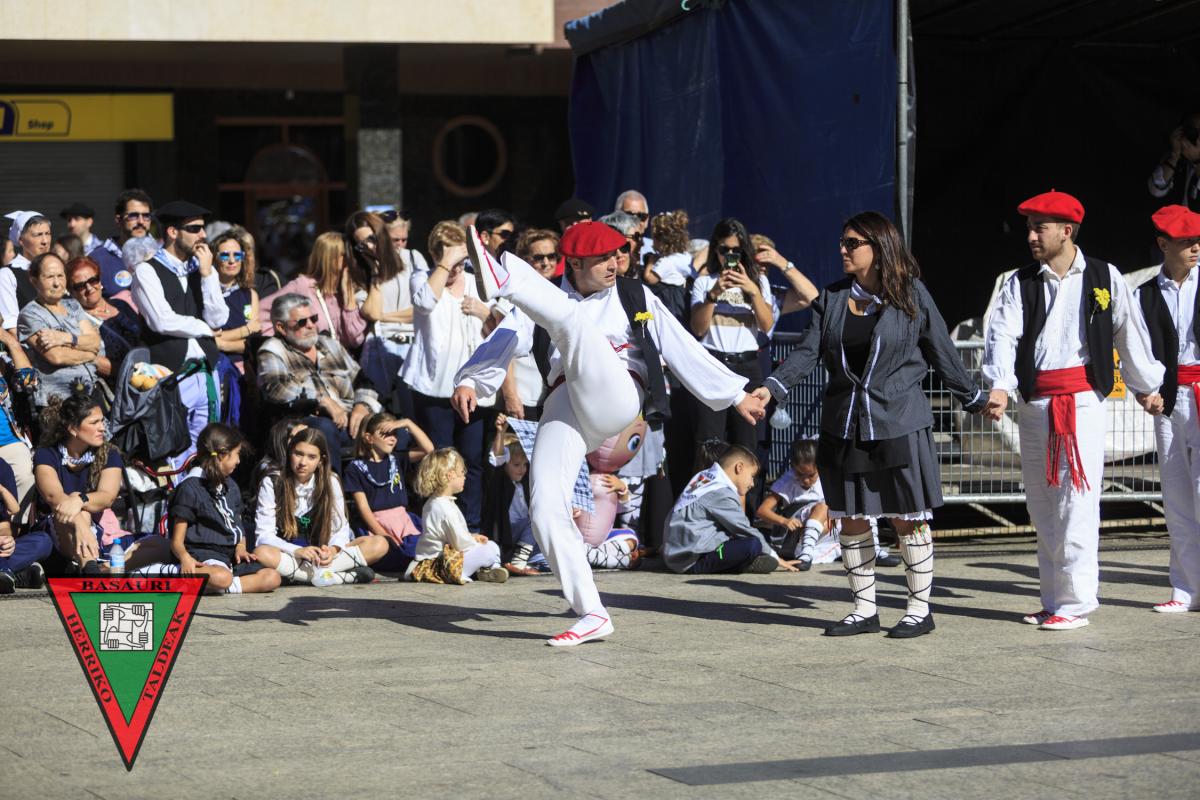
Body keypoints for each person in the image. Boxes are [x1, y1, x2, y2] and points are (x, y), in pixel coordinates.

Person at [453, 219, 768, 645]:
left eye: (616, 255)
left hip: (618, 391)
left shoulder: (632, 294)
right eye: (602, 258)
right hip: (564, 400)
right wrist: (472, 380)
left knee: (571, 321)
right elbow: (506, 337)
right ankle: (592, 612)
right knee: (545, 506)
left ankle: (503, 276)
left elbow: (680, 344)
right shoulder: (548, 298)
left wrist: (735, 394)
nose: (614, 264)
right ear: (575, 263)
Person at [756, 211, 988, 638]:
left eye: (852, 243)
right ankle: (864, 610)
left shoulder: (911, 294)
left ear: (879, 248)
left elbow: (941, 349)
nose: (842, 250)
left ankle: (919, 610)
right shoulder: (832, 298)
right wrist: (772, 388)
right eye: (842, 242)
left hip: (898, 421)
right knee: (850, 518)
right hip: (844, 424)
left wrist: (974, 398)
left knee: (907, 519)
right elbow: (807, 352)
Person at [982, 190, 1165, 631]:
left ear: (1066, 231)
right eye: (1029, 228)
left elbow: (1129, 332)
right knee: (1042, 502)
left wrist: (1146, 387)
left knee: (1075, 502)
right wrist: (1000, 386)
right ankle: (1053, 599)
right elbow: (1002, 335)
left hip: (1081, 402)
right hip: (1036, 404)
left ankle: (1077, 602)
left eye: (1039, 228)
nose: (1031, 236)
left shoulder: (1104, 276)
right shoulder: (1019, 282)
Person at [400, 221, 493, 530]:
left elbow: (506, 325)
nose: (456, 268)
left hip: (473, 388)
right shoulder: (423, 279)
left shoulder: (478, 283)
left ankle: (472, 526)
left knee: (472, 459)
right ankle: (440, 527)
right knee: (440, 458)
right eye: (450, 261)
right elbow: (424, 302)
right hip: (433, 387)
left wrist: (483, 311)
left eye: (461, 262)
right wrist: (444, 264)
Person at [1134, 205, 1200, 612]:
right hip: (1170, 398)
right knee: (1176, 494)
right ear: (1163, 244)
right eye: (1185, 241)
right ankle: (1187, 588)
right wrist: (1144, 390)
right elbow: (1137, 350)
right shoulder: (1143, 294)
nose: (1195, 248)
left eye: (1197, 240)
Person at [132, 200, 227, 469]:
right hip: (170, 373)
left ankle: (200, 493)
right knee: (174, 445)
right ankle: (176, 496)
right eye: (194, 229)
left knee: (208, 446)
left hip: (206, 369)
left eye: (203, 228)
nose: (203, 235)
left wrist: (208, 274)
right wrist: (204, 328)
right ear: (173, 232)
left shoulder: (202, 269)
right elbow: (161, 320)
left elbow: (219, 318)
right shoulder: (146, 270)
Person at [33, 393, 167, 575]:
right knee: (79, 512)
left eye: (102, 421)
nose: (102, 428)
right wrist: (80, 523)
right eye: (94, 423)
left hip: (101, 532)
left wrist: (80, 500)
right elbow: (54, 497)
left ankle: (104, 569)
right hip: (59, 531)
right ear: (73, 429)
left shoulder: (109, 454)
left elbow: (107, 497)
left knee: (162, 545)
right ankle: (89, 566)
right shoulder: (47, 454)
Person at [256, 293, 382, 469]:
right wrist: (322, 400)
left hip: (349, 419)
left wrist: (362, 407)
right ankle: (331, 484)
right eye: (302, 322)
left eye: (313, 319)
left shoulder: (330, 344)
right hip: (307, 421)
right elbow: (276, 389)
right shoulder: (272, 350)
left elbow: (363, 381)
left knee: (389, 430)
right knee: (323, 430)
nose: (310, 325)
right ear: (281, 327)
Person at [691, 218, 775, 465]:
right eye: (723, 250)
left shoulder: (759, 283)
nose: (729, 256)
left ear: (744, 251)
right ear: (715, 250)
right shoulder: (704, 282)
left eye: (735, 251)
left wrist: (752, 290)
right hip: (712, 365)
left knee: (747, 444)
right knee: (710, 444)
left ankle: (745, 491)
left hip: (747, 367)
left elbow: (767, 325)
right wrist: (713, 294)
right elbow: (698, 328)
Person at [252, 427, 376, 586]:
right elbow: (263, 535)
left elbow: (340, 528)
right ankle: (337, 576)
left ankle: (302, 576)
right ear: (289, 453)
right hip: (290, 555)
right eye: (298, 454)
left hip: (320, 555)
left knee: (378, 544)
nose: (303, 463)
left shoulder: (331, 481)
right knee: (262, 552)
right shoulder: (273, 482)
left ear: (321, 461)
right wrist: (297, 550)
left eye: (311, 457)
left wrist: (332, 550)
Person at [169, 423, 281, 594]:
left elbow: (238, 525)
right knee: (222, 577)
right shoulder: (190, 488)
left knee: (272, 577)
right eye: (237, 454)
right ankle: (175, 575)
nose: (238, 461)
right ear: (222, 455)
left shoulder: (232, 486)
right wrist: (185, 558)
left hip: (228, 557)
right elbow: (176, 541)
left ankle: (216, 587)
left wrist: (241, 547)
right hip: (202, 555)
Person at [663, 444, 797, 574]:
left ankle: (743, 560)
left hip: (676, 553)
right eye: (752, 476)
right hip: (691, 560)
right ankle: (740, 564)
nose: (752, 483)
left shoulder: (705, 477)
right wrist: (775, 556)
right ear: (739, 467)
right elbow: (744, 529)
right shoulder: (721, 493)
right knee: (753, 544)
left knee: (745, 540)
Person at [343, 412, 433, 574]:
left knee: (420, 550)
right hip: (376, 524)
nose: (392, 438)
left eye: (395, 434)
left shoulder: (396, 459)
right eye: (385, 434)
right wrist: (383, 535)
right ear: (369, 438)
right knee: (385, 554)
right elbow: (364, 508)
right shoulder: (355, 468)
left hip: (403, 523)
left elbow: (429, 449)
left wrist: (407, 422)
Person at [408, 447, 508, 584]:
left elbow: (452, 536)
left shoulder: (436, 502)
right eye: (462, 473)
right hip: (439, 564)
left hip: (437, 560)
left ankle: (489, 570)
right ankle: (484, 569)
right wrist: (474, 542)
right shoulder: (444, 507)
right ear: (450, 475)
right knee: (489, 549)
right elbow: (460, 543)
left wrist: (473, 537)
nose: (465, 477)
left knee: (489, 546)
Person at [17, 253, 103, 408]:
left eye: (60, 276)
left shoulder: (73, 305)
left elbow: (95, 342)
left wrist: (64, 338)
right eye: (50, 277)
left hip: (90, 392)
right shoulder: (30, 315)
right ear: (34, 280)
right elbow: (56, 356)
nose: (57, 283)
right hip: (59, 402)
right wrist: (89, 354)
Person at [358, 212, 417, 418]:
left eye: (404, 239)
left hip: (412, 342)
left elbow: (421, 310)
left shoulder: (414, 258)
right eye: (394, 240)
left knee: (410, 409)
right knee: (379, 409)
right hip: (380, 343)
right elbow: (371, 311)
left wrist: (383, 316)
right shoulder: (366, 265)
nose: (400, 245)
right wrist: (376, 271)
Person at [755, 438, 835, 570]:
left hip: (819, 531)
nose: (805, 480)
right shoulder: (787, 481)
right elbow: (762, 511)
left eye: (811, 475)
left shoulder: (826, 478)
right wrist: (784, 521)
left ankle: (807, 549)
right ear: (792, 467)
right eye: (799, 474)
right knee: (822, 507)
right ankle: (806, 552)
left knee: (846, 517)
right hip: (793, 530)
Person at [66, 256, 143, 384]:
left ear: (100, 280)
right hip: (120, 385)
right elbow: (93, 360)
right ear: (71, 292)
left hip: (150, 374)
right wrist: (132, 374)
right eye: (80, 286)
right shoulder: (77, 322)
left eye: (93, 280)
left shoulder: (120, 304)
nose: (89, 288)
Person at [483, 417, 540, 576]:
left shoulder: (524, 483)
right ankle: (513, 563)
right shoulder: (499, 481)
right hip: (502, 533)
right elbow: (497, 458)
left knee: (537, 520)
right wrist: (501, 432)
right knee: (532, 521)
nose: (522, 469)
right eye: (516, 465)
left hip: (522, 537)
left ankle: (519, 560)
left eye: (524, 465)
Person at [0, 455, 51, 592]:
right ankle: (15, 574)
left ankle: (6, 573)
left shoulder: (2, 467)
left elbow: (6, 522)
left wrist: (7, 541)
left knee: (43, 541)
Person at [91, 189, 155, 297]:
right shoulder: (97, 259)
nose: (141, 221)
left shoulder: (160, 255)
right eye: (133, 215)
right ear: (119, 220)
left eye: (146, 216)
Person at [210, 231, 258, 371]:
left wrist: (222, 344)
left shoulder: (250, 294)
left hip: (245, 369)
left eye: (237, 255)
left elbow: (253, 342)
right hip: (216, 367)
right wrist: (246, 330)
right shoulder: (205, 293)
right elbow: (208, 338)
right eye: (225, 255)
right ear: (214, 258)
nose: (232, 261)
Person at [1, 211, 51, 331]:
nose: (45, 241)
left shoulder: (57, 269)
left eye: (48, 233)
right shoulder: (7, 275)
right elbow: (12, 325)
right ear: (21, 240)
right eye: (37, 235)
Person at [1148, 112, 1200, 213]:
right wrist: (1175, 156)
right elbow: (1155, 190)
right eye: (1193, 131)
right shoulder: (1177, 156)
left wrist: (1196, 160)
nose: (1196, 138)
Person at [614, 189, 652, 260]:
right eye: (629, 216)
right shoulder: (609, 251)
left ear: (647, 220)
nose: (636, 222)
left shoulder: (655, 249)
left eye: (641, 216)